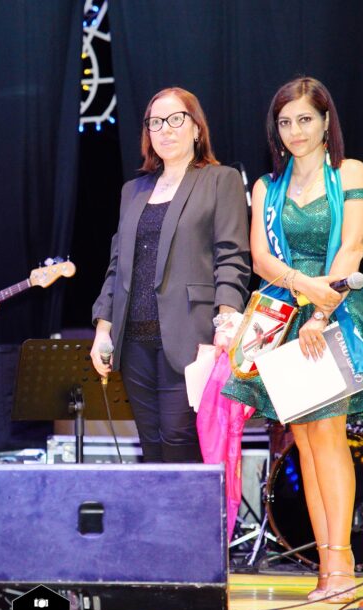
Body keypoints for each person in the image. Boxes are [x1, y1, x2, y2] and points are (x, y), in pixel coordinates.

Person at [222, 76, 363, 603]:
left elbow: (352, 248)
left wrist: (319, 310)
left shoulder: (348, 173)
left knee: (328, 438)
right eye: (285, 122)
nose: (295, 131)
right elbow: (261, 259)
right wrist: (302, 295)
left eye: (305, 119)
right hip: (285, 317)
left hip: (337, 310)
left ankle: (343, 570)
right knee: (304, 442)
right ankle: (325, 571)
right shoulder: (266, 186)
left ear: (326, 121)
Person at [90, 87, 251, 463]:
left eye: (176, 119)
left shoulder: (219, 179)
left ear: (196, 128)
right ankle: (160, 523)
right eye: (156, 122)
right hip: (135, 341)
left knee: (180, 440)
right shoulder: (133, 190)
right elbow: (117, 265)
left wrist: (227, 318)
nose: (166, 129)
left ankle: (191, 523)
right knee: (152, 445)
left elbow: (232, 255)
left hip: (192, 336)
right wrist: (103, 327)